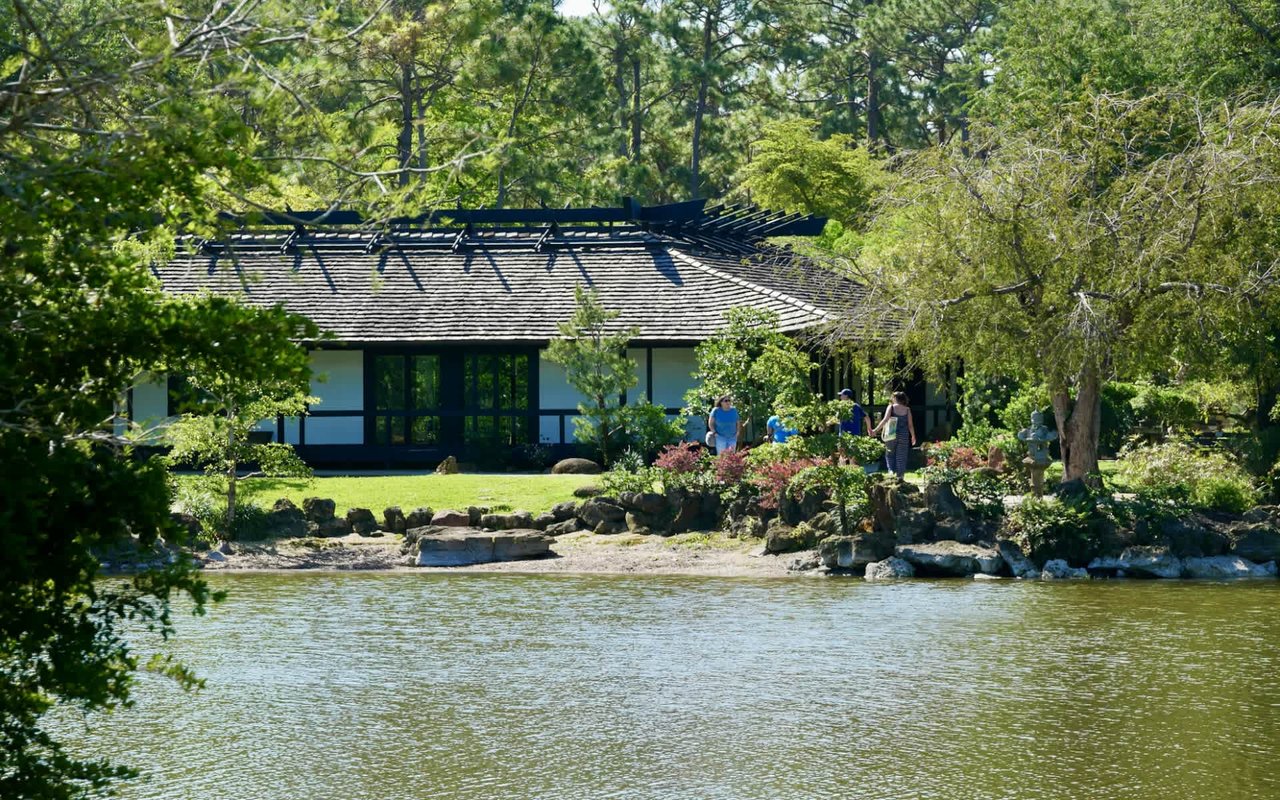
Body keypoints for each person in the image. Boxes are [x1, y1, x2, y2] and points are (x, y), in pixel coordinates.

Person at [872, 390, 917, 478]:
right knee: (901, 455)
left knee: (889, 453)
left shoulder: (891, 407)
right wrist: (913, 436)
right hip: (903, 434)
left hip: (891, 433)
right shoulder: (907, 409)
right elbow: (910, 425)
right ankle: (900, 475)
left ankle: (891, 471)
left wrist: (876, 430)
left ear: (895, 398)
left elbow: (885, 420)